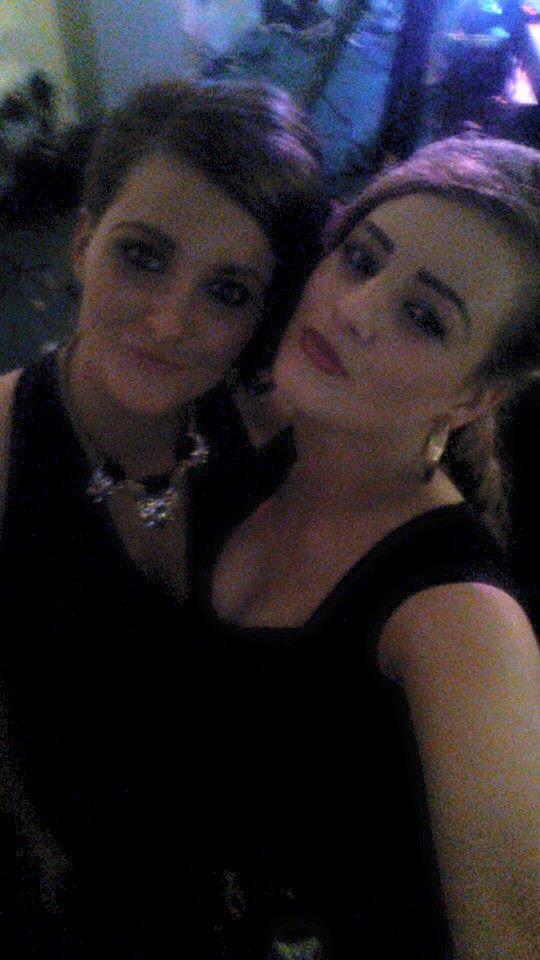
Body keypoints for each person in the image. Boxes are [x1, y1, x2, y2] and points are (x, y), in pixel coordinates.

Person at [0, 77, 327, 957]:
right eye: (143, 256)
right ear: (82, 241)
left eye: (228, 291)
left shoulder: (269, 425)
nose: (172, 321)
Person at [200, 135, 540, 958]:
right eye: (360, 258)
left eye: (424, 317)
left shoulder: (461, 621)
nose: (354, 307)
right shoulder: (256, 445)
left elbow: (509, 930)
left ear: (474, 396)